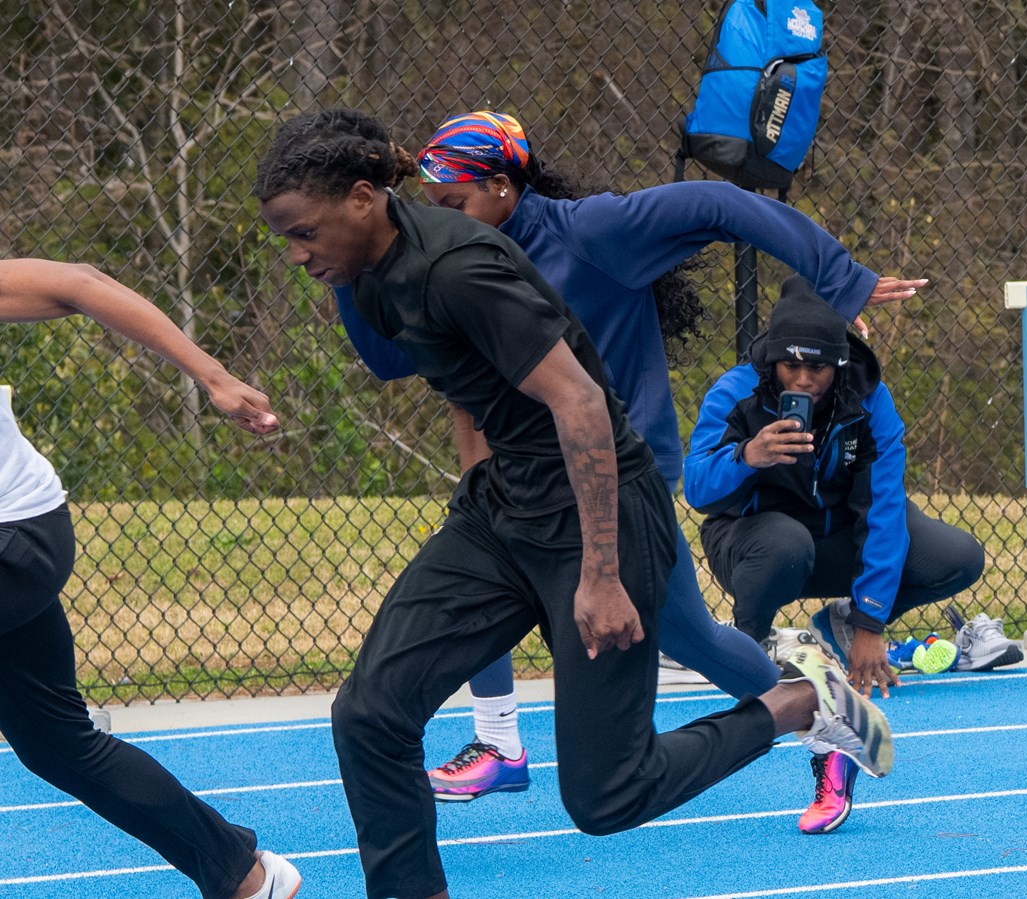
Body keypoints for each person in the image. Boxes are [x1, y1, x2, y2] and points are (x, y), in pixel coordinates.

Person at [252, 108, 893, 899]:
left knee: (607, 795)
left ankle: (796, 699)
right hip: (507, 501)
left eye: (305, 233)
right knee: (369, 716)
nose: (296, 253)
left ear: (359, 199)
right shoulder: (381, 267)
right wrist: (344, 274)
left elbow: (583, 405)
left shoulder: (472, 263)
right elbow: (390, 359)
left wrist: (600, 573)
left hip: (603, 509)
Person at [0, 260, 300, 899]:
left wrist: (214, 377)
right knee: (58, 745)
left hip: (12, 539)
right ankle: (244, 876)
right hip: (28, 535)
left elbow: (81, 284)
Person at [686, 275, 988, 697]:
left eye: (818, 367)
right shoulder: (737, 392)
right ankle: (749, 643)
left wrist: (870, 622)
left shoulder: (869, 401)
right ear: (773, 358)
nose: (804, 380)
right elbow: (698, 489)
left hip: (837, 539)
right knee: (785, 543)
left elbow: (883, 508)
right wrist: (747, 456)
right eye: (792, 366)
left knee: (959, 556)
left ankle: (842, 623)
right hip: (755, 544)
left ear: (840, 362)